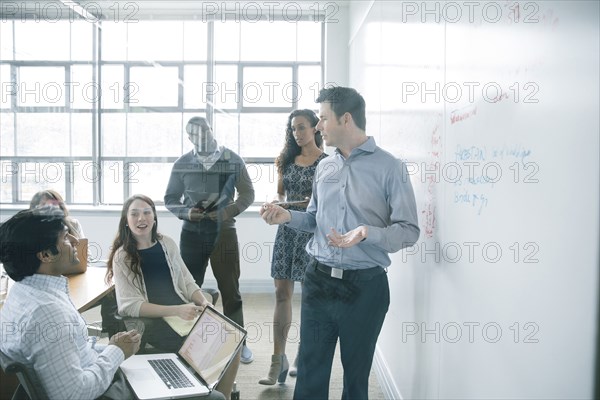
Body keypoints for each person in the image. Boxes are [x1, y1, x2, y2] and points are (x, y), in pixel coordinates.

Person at [260, 86, 420, 399]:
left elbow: (409, 230)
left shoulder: (390, 168)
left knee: (356, 376)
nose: (319, 127)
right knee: (309, 372)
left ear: (345, 119)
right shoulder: (325, 166)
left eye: (322, 119)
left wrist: (367, 232)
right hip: (319, 280)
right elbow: (314, 221)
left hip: (365, 288)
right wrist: (286, 218)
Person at [0, 207, 141, 400]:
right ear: (46, 255)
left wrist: (114, 348)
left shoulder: (21, 291)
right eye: (66, 237)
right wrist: (116, 351)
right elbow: (74, 394)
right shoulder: (47, 312)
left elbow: (73, 353)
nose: (76, 241)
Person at [105, 194, 238, 399]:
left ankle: (223, 396)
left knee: (232, 340)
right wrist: (177, 310)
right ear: (126, 220)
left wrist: (202, 300)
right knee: (211, 347)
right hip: (158, 322)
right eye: (135, 214)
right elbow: (130, 306)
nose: (142, 218)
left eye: (147, 212)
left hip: (185, 314)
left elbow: (186, 281)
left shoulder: (166, 243)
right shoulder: (123, 256)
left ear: (154, 217)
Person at [164, 116, 255, 364]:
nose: (199, 138)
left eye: (203, 132)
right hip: (191, 234)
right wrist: (187, 213)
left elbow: (248, 194)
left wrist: (225, 212)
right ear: (189, 137)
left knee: (230, 290)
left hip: (224, 233)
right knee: (189, 290)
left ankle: (239, 344)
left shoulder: (232, 159)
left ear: (211, 130)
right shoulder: (182, 163)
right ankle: (188, 344)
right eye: (193, 135)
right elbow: (170, 198)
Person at [259, 109, 326, 385]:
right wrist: (274, 202)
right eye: (293, 129)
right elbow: (281, 193)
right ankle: (278, 361)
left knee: (309, 296)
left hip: (310, 231)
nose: (297, 133)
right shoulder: (285, 159)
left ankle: (302, 353)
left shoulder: (327, 163)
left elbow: (320, 203)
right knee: (281, 293)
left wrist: (288, 206)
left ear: (314, 129)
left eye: (301, 127)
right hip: (286, 232)